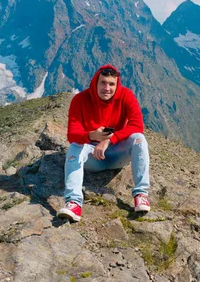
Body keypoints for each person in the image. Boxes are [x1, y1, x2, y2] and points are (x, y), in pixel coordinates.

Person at [57, 64, 150, 222]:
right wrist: (93, 135)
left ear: (117, 84)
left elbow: (137, 125)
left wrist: (109, 139)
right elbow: (72, 134)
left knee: (139, 139)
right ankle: (74, 202)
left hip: (117, 154)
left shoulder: (126, 96)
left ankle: (141, 194)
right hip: (92, 157)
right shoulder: (79, 100)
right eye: (103, 83)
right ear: (95, 82)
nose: (107, 88)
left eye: (111, 84)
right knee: (74, 147)